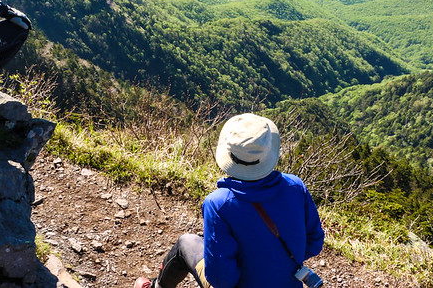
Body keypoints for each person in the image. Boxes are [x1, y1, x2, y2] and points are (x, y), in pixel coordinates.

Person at [134, 113, 325, 288]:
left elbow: (222, 280)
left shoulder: (219, 204)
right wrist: (275, 262)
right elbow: (314, 242)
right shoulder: (295, 186)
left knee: (187, 242)